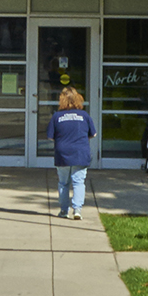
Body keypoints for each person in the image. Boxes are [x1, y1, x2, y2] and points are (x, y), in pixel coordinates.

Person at [48, 86, 95, 218]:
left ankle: (64, 210)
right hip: (80, 152)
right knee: (78, 182)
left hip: (63, 153)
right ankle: (77, 210)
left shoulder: (57, 116)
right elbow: (93, 134)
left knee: (63, 182)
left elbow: (50, 136)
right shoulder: (84, 115)